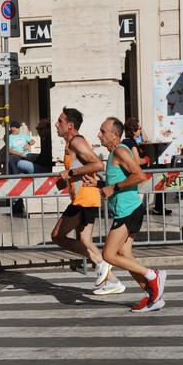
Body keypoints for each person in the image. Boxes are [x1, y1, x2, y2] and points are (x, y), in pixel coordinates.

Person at [83, 117, 167, 312]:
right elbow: (117, 185)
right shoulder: (114, 154)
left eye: (103, 132)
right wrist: (99, 185)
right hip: (128, 210)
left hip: (127, 211)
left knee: (109, 254)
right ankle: (153, 297)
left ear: (115, 134)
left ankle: (153, 276)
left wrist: (112, 187)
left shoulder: (120, 150)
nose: (99, 135)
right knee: (125, 254)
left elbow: (139, 175)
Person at [51, 107, 125, 295]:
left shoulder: (76, 141)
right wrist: (67, 180)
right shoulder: (71, 143)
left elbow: (97, 164)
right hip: (85, 196)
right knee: (84, 240)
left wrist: (70, 173)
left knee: (57, 236)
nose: (55, 125)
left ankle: (101, 263)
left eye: (59, 121)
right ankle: (113, 281)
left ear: (70, 125)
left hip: (85, 198)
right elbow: (83, 167)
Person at [123, 118, 172, 216]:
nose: (140, 130)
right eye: (139, 128)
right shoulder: (131, 143)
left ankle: (159, 206)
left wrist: (142, 129)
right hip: (140, 171)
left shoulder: (127, 141)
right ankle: (159, 206)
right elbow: (136, 161)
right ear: (134, 130)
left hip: (138, 171)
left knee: (162, 168)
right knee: (163, 171)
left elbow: (145, 139)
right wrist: (146, 159)